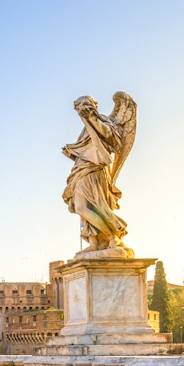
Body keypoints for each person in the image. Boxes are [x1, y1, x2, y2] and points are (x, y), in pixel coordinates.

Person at [62, 95, 131, 253]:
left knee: (98, 206)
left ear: (94, 105)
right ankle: (95, 242)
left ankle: (113, 234)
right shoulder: (85, 129)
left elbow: (108, 135)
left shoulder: (103, 119)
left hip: (96, 169)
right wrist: (72, 155)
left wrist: (92, 118)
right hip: (81, 169)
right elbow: (86, 152)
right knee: (81, 208)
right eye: (79, 107)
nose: (82, 108)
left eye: (86, 104)